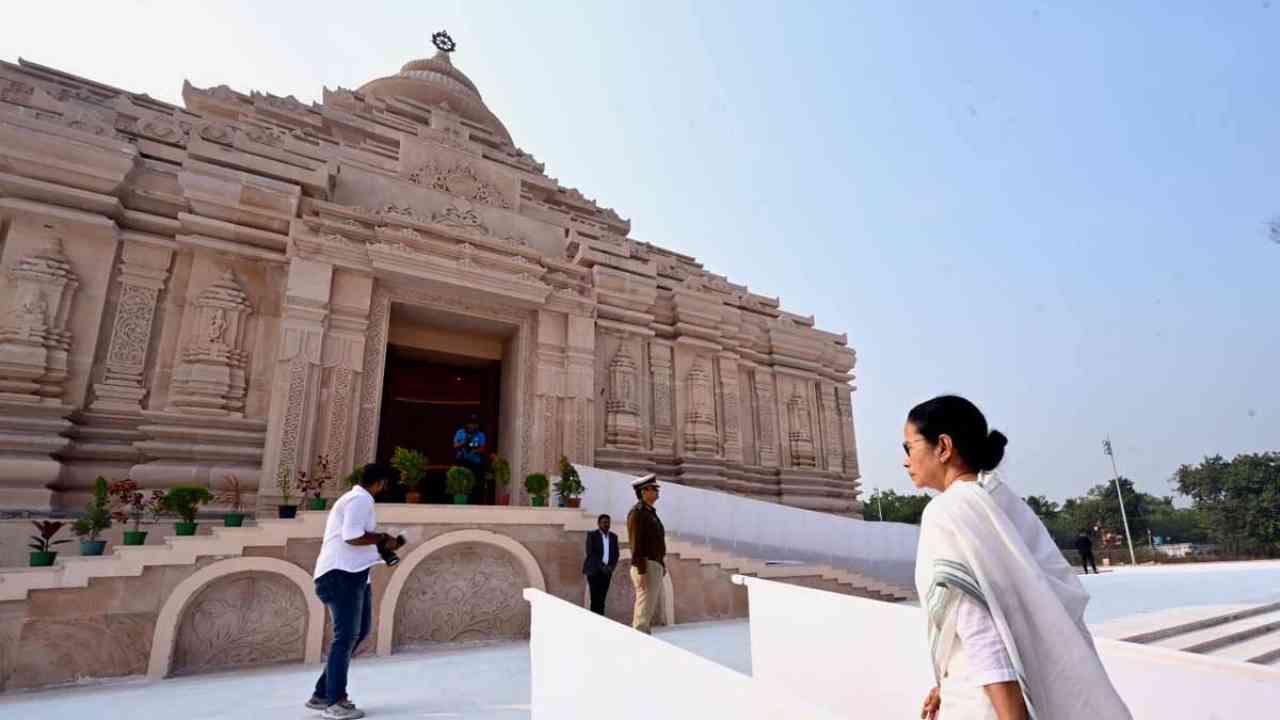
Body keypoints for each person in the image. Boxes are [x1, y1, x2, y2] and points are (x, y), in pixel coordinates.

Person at [907, 395, 1131, 720]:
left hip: (988, 704)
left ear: (943, 446)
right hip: (1021, 691)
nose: (905, 460)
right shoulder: (1004, 502)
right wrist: (945, 681)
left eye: (908, 446)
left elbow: (981, 629)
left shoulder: (946, 512)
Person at [307, 463, 405, 720]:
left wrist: (385, 545)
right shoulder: (360, 499)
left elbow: (358, 541)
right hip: (341, 575)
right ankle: (335, 700)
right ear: (381, 482)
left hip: (354, 575)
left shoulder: (358, 499)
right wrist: (381, 537)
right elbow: (352, 536)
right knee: (345, 636)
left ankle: (322, 693)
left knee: (358, 632)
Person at [626, 474, 666, 634]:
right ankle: (640, 641)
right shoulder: (638, 513)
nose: (657, 492)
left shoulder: (649, 512)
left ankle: (642, 637)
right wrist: (642, 570)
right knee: (644, 610)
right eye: (653, 489)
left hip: (653, 564)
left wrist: (661, 564)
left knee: (646, 609)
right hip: (645, 565)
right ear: (644, 492)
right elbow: (636, 544)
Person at [582, 513, 620, 614]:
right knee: (595, 599)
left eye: (608, 522)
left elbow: (616, 554)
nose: (606, 524)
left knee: (602, 599)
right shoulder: (592, 535)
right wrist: (602, 566)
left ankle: (601, 620)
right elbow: (590, 553)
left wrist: (611, 567)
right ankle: (595, 621)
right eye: (604, 522)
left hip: (607, 572)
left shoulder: (613, 537)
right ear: (599, 524)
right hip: (594, 571)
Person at [453, 415, 487, 487]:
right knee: (461, 484)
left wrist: (474, 450)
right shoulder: (460, 432)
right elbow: (455, 446)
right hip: (461, 462)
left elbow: (483, 449)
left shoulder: (481, 435)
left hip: (474, 463)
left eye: (474, 424)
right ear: (467, 424)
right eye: (470, 423)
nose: (472, 426)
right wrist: (464, 443)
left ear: (477, 425)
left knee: (474, 485)